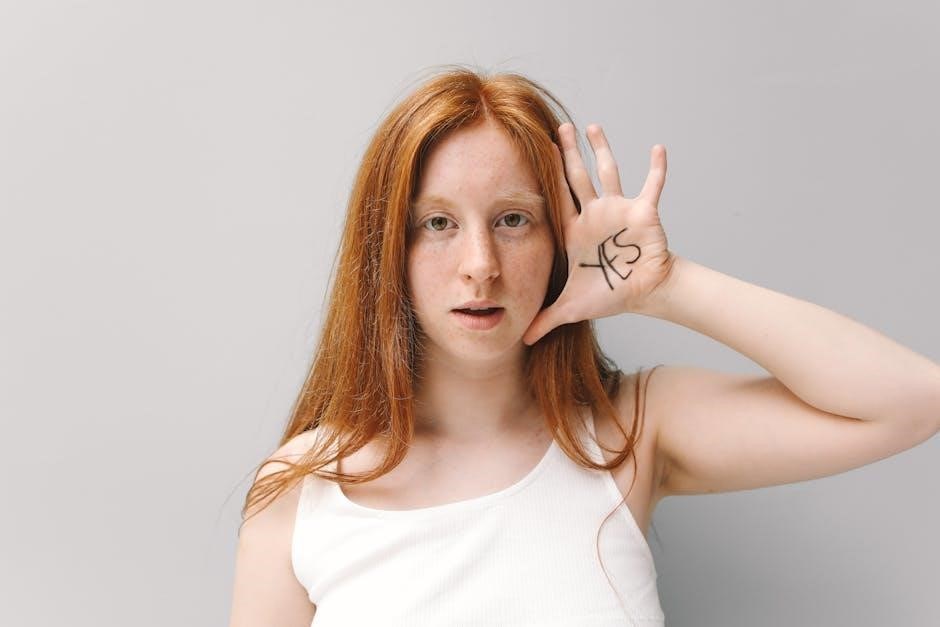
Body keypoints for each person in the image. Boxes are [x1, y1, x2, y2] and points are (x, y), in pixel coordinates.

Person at [228, 66, 940, 626]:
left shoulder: (630, 429)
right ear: (389, 248)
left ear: (559, 239)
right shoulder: (302, 490)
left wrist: (666, 284)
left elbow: (913, 400)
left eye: (513, 219)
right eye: (438, 223)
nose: (480, 265)